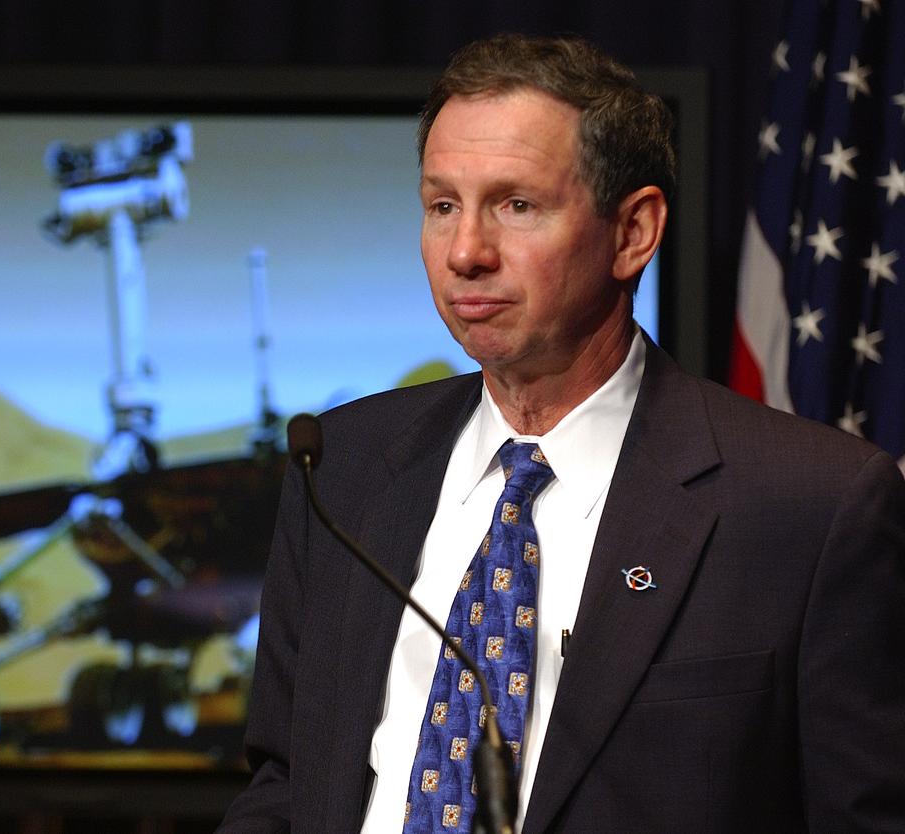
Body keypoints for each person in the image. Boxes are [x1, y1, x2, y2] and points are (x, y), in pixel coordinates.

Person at [216, 33, 905, 834]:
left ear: (634, 232)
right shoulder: (341, 467)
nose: (466, 252)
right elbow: (285, 781)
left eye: (517, 206)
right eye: (443, 206)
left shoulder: (809, 504)